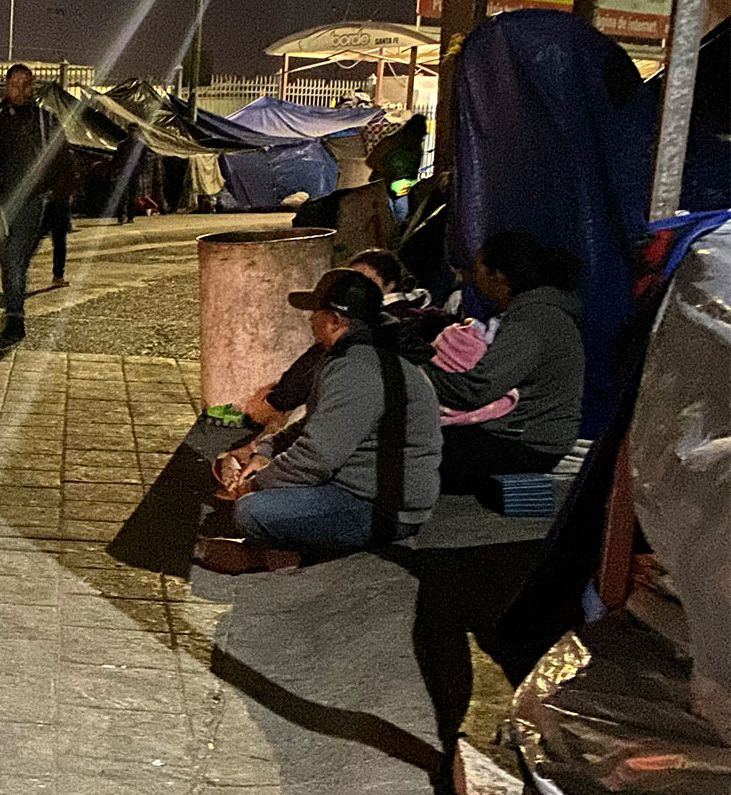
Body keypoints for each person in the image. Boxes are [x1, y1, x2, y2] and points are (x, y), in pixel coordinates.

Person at [199, 269, 442, 572]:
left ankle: (293, 557)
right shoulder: (352, 355)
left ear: (335, 320)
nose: (310, 318)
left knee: (253, 511)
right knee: (269, 490)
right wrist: (265, 451)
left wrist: (254, 485)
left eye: (316, 312)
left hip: (384, 509)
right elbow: (315, 423)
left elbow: (316, 458)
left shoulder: (357, 368)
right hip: (367, 490)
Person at [430, 232, 585, 491]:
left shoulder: (534, 321)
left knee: (412, 455)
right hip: (524, 436)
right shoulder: (534, 313)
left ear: (499, 276)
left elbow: (476, 390)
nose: (472, 278)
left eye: (477, 270)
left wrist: (417, 371)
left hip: (527, 445)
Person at [242, 247, 443, 429]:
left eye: (365, 281)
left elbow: (319, 443)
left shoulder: (362, 346)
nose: (311, 317)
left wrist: (274, 404)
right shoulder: (387, 329)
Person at [0, 64, 67, 344]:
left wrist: (54, 191)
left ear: (33, 86)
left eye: (26, 83)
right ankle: (14, 310)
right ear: (6, 85)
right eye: (15, 83)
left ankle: (15, 321)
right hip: (0, 203)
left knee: (14, 258)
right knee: (9, 261)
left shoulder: (45, 121)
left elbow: (62, 157)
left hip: (32, 201)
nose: (21, 89)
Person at [42, 143, 83, 287]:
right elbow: (74, 179)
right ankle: (58, 275)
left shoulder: (46, 156)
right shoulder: (68, 157)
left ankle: (18, 272)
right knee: (59, 241)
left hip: (48, 201)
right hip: (60, 203)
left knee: (37, 238)